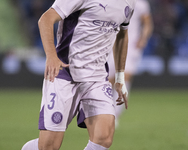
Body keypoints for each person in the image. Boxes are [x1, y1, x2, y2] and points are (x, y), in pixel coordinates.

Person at [21, 0, 136, 149]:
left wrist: (120, 77)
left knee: (104, 138)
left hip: (97, 77)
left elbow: (122, 35)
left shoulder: (129, 3)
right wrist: (51, 56)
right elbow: (46, 19)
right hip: (65, 73)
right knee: (48, 146)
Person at [108, 0, 153, 127]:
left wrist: (143, 39)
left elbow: (148, 23)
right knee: (109, 80)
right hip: (109, 43)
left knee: (123, 77)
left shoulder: (140, 3)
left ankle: (115, 116)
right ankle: (105, 113)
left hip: (130, 45)